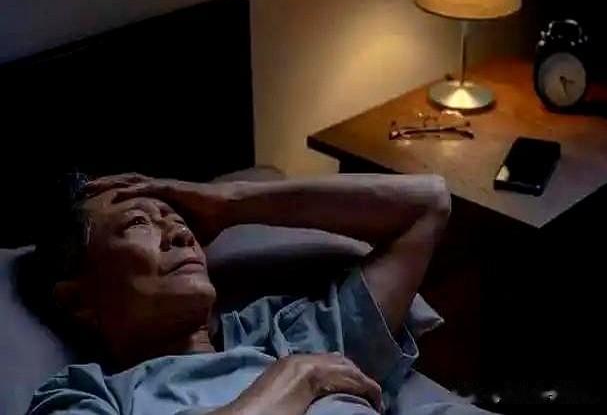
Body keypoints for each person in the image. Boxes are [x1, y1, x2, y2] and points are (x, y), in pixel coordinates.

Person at [27, 172, 488, 415]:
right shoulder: (84, 396)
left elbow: (428, 205)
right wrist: (299, 380)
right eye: (138, 223)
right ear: (79, 301)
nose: (181, 235)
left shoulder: (283, 337)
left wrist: (231, 202)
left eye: (179, 221)